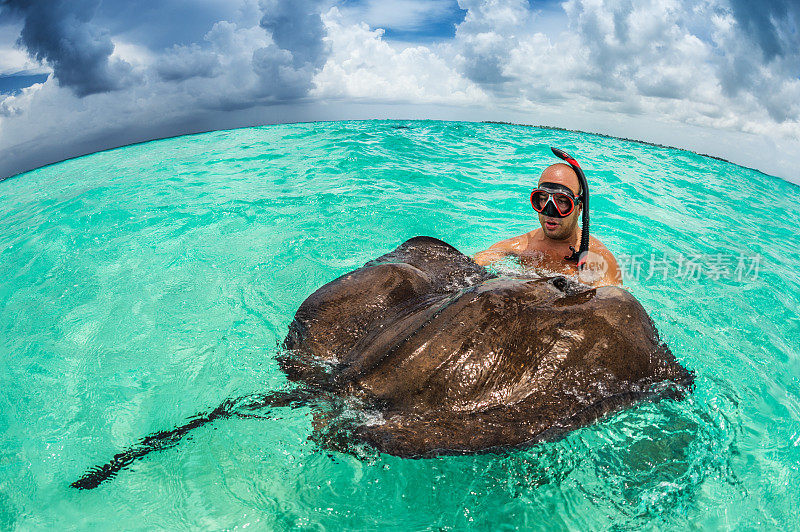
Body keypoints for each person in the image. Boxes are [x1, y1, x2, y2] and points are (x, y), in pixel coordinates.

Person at [474, 160, 622, 287]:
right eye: (543, 198)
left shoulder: (600, 261)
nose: (550, 211)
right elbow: (471, 270)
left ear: (579, 207)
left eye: (562, 201)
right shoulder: (518, 247)